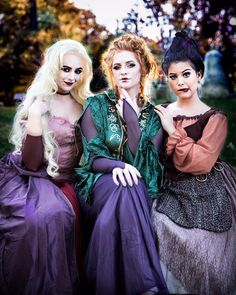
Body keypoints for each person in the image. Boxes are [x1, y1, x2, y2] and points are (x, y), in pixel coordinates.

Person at [75, 34, 168, 295]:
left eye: (130, 65)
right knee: (126, 184)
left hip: (139, 187)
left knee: (130, 185)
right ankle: (143, 282)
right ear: (110, 72)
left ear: (145, 68)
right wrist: (117, 166)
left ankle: (107, 285)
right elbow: (93, 158)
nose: (123, 72)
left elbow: (146, 165)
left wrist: (130, 116)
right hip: (97, 184)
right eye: (116, 67)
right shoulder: (96, 105)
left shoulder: (155, 116)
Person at [0, 39, 93, 295]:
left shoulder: (87, 105)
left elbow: (99, 148)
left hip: (67, 179)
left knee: (59, 213)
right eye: (66, 69)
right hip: (32, 177)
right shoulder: (39, 101)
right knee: (36, 219)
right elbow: (30, 162)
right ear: (53, 68)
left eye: (78, 71)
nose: (72, 76)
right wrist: (35, 117)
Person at [153, 31, 236, 295]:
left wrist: (172, 130)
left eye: (186, 74)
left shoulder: (215, 118)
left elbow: (200, 163)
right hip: (170, 187)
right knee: (158, 222)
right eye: (173, 76)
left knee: (207, 240)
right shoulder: (162, 111)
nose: (180, 82)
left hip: (207, 184)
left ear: (199, 75)